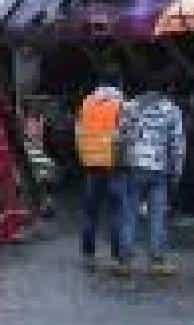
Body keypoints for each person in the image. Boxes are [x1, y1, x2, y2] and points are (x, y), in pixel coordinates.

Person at [116, 75, 185, 276]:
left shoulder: (130, 107)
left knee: (129, 213)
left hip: (134, 165)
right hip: (159, 167)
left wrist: (120, 161)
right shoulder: (172, 110)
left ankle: (125, 261)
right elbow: (177, 144)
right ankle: (157, 260)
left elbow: (121, 136)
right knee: (157, 214)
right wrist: (177, 170)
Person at [74, 69, 126, 267]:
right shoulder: (120, 104)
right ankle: (117, 252)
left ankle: (88, 250)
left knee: (90, 210)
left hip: (91, 164)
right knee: (116, 209)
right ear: (118, 83)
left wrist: (84, 156)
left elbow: (78, 133)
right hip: (114, 163)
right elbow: (125, 134)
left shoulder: (87, 103)